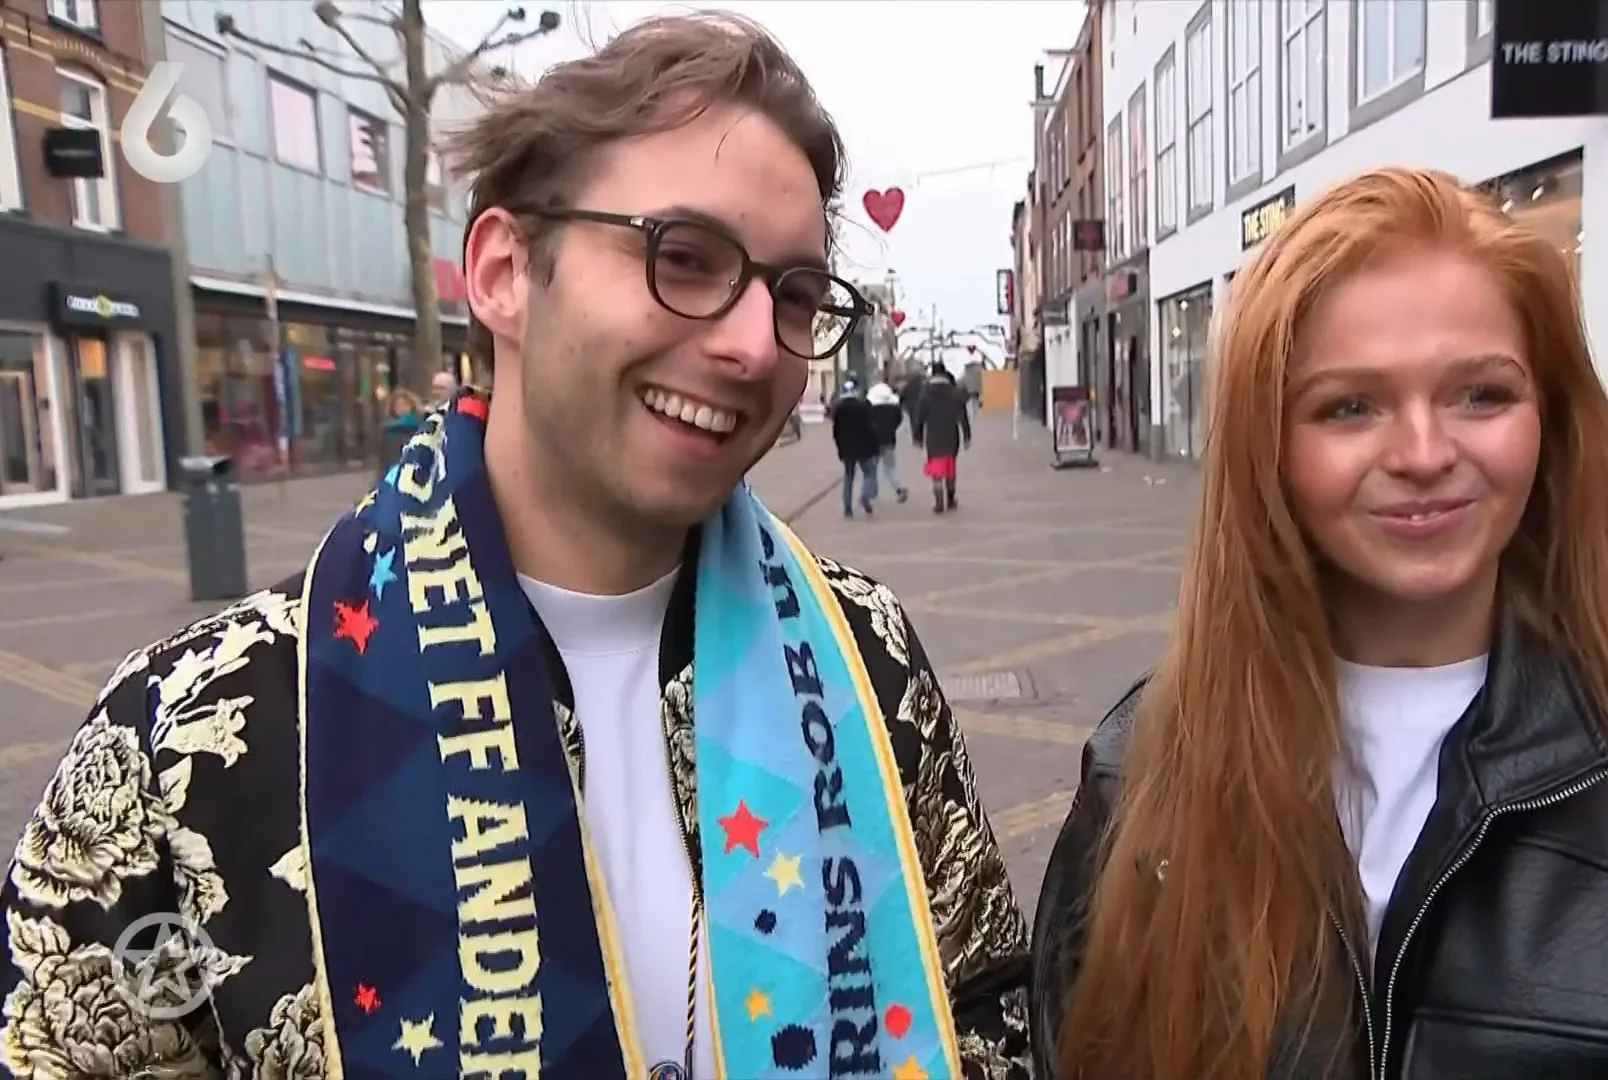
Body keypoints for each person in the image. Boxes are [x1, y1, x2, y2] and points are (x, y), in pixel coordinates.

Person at [0, 15, 1032, 1080]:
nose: (749, 343)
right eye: (684, 258)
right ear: (500, 271)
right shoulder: (188, 740)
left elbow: (987, 1020)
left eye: (797, 294)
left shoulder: (870, 662)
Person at [1031, 167, 1608, 1080]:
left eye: (1481, 395)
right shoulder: (1140, 774)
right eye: (1350, 407)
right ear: (1269, 449)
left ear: (1552, 419)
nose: (1424, 453)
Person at [912, 362, 971, 514]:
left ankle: (939, 501)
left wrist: (917, 435)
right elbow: (962, 416)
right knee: (950, 467)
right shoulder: (954, 392)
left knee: (936, 470)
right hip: (951, 435)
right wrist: (967, 435)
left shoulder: (925, 393)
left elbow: (918, 416)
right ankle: (951, 499)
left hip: (933, 436)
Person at [831, 378, 881, 516]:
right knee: (870, 473)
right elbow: (871, 427)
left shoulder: (838, 409)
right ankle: (865, 495)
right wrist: (875, 446)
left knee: (848, 477)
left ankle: (847, 508)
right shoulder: (864, 406)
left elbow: (836, 432)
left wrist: (840, 448)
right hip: (865, 447)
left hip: (847, 449)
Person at [867, 380, 910, 503]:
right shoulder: (894, 407)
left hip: (873, 441)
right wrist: (891, 429)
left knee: (872, 469)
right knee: (891, 467)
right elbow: (899, 420)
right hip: (889, 440)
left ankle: (871, 495)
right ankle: (899, 488)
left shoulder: (871, 407)